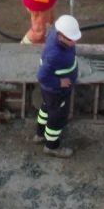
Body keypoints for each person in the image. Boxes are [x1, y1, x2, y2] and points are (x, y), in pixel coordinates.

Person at [35, 14, 81, 157]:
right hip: (56, 91)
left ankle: (40, 134)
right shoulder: (55, 54)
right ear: (61, 36)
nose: (74, 42)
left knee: (46, 108)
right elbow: (42, 76)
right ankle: (52, 146)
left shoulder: (54, 34)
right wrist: (59, 82)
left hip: (49, 93)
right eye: (71, 39)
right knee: (57, 117)